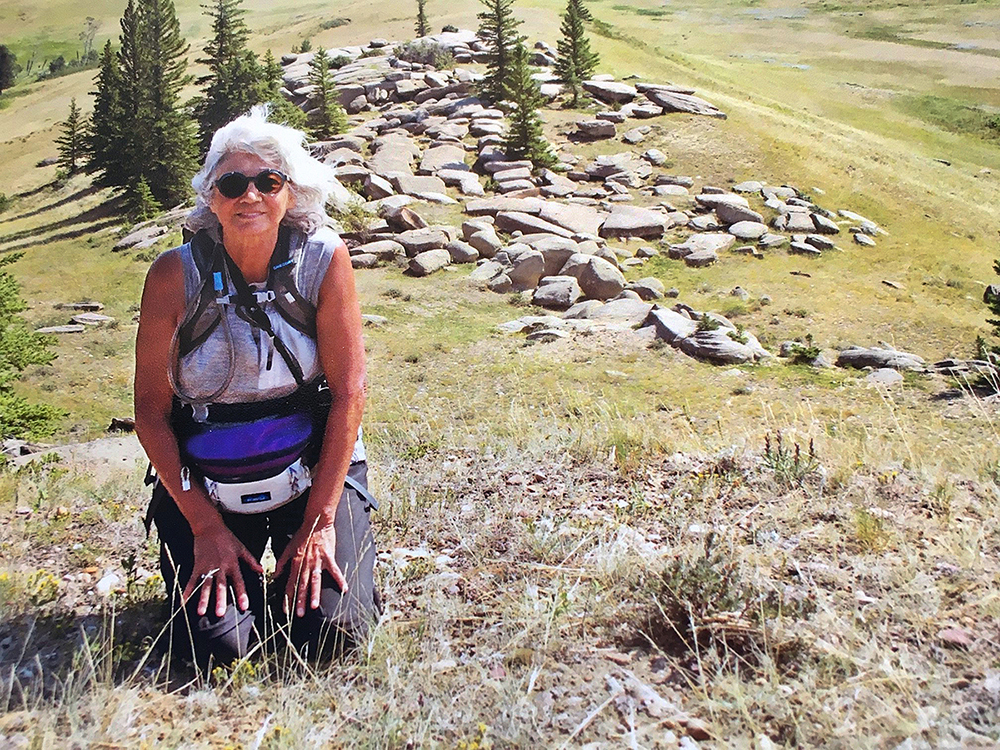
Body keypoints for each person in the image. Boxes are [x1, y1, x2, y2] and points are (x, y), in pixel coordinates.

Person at [134, 105, 378, 665]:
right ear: (211, 196)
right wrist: (205, 528)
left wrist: (319, 523)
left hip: (311, 469)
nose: (250, 195)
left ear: (290, 194)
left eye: (268, 182)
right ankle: (239, 593)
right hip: (210, 482)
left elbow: (348, 392)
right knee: (218, 652)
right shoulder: (173, 275)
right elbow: (150, 412)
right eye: (232, 183)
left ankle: (320, 577)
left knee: (332, 638)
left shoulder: (323, 258)